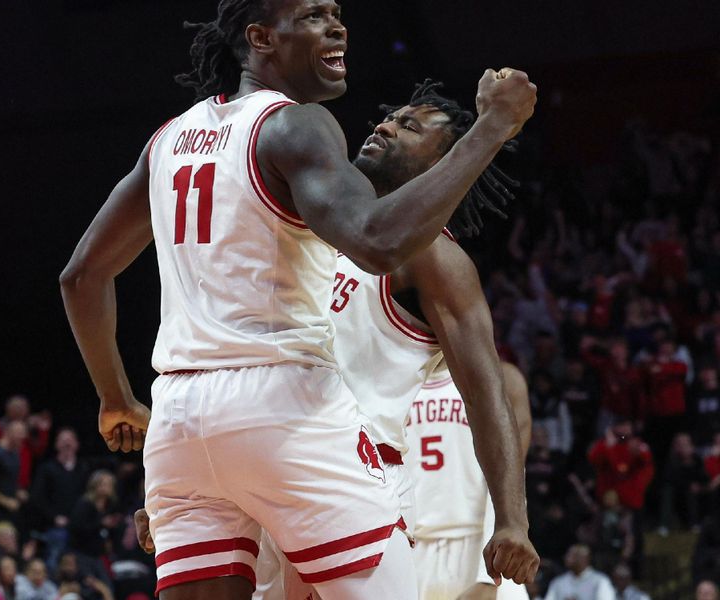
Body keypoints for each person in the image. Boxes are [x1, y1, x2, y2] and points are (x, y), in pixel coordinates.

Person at [60, 0, 537, 598]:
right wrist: (494, 126)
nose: (337, 27)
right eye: (314, 15)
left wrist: (129, 414)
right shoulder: (303, 153)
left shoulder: (173, 138)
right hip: (294, 441)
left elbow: (80, 277)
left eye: (410, 127)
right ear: (260, 38)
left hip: (214, 426)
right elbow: (376, 238)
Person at [406, 362, 532, 600]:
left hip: (481, 544)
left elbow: (512, 478)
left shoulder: (505, 379)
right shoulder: (387, 380)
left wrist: (490, 577)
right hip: (410, 548)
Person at [30, 428, 88, 569]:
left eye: (70, 440)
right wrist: (54, 517)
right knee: (55, 556)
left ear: (77, 445)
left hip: (78, 526)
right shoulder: (48, 469)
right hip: (55, 526)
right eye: (63, 440)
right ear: (56, 445)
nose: (67, 444)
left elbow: (87, 497)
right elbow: (38, 498)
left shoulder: (83, 469)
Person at [543, 545, 613, 600]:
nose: (567, 558)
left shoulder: (600, 581)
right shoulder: (558, 582)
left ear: (584, 558)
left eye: (573, 555)